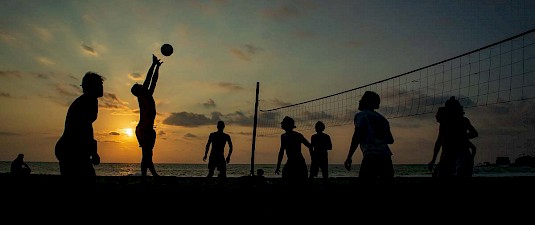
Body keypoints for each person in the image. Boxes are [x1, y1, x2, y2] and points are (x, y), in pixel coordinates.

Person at [55, 72, 104, 183]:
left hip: (73, 149)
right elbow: (84, 128)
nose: (102, 87)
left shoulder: (89, 100)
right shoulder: (87, 101)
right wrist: (93, 151)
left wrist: (92, 151)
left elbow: (87, 126)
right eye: (99, 84)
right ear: (92, 87)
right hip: (71, 150)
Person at [344, 91, 394, 184]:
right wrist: (378, 132)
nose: (359, 101)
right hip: (386, 157)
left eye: (362, 99)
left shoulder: (361, 115)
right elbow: (390, 140)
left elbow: (357, 136)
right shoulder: (382, 119)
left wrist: (349, 157)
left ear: (368, 102)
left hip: (371, 156)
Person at [428, 97, 478, 178]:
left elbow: (475, 134)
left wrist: (462, 138)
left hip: (458, 157)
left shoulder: (461, 121)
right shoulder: (446, 122)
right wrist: (433, 160)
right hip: (450, 157)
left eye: (447, 108)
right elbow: (439, 141)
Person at [132, 54, 162, 178]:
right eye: (140, 86)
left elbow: (154, 80)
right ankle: (151, 175)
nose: (142, 85)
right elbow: (148, 79)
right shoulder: (142, 96)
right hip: (144, 129)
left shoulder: (148, 95)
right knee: (147, 154)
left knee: (148, 154)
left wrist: (157, 68)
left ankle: (148, 175)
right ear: (138, 90)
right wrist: (153, 65)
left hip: (146, 129)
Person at [275, 116, 313, 185]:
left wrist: (313, 159)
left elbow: (309, 146)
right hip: (291, 162)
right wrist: (278, 166)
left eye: (283, 122)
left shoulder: (297, 135)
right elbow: (281, 151)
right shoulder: (283, 136)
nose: (281, 123)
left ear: (287, 124)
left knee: (300, 182)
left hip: (299, 162)